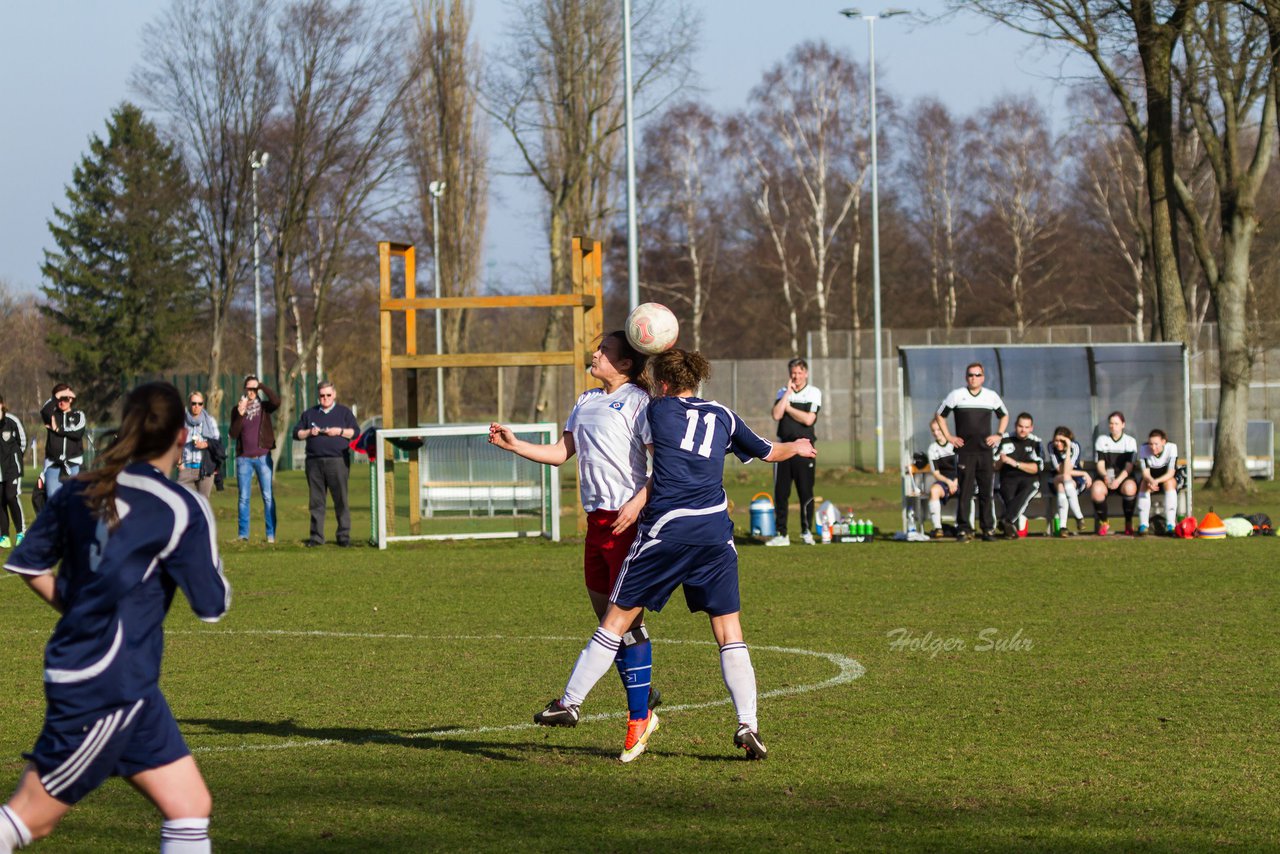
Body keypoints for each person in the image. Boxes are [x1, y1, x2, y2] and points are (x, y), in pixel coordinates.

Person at [531, 349, 817, 762]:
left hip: (666, 530)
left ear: (662, 383)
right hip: (715, 533)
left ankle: (570, 702)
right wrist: (798, 446)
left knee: (615, 620)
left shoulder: (657, 410)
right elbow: (769, 450)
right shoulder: (722, 414)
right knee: (729, 633)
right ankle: (747, 724)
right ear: (697, 380)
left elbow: (631, 434)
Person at [0, 382, 230, 854]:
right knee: (26, 820)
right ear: (182, 436)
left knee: (189, 805)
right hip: (106, 685)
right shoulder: (180, 507)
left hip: (127, 685)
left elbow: (28, 564)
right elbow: (211, 607)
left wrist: (81, 603)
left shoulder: (81, 488)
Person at [490, 331, 662, 762]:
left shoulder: (641, 403)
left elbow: (661, 465)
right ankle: (644, 696)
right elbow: (560, 452)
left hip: (628, 525)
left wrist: (638, 503)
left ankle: (637, 719)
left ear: (624, 364)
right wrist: (516, 446)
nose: (595, 352)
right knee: (611, 622)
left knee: (621, 625)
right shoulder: (586, 400)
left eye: (604, 350)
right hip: (596, 525)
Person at [933, 362, 1008, 542]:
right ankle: (964, 529)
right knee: (965, 491)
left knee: (985, 492)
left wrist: (998, 434)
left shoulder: (991, 397)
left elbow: (1004, 415)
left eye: (977, 375)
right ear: (966, 377)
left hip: (985, 452)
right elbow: (940, 415)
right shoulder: (957, 395)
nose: (974, 378)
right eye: (970, 375)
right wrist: (949, 436)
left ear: (983, 377)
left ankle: (987, 529)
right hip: (965, 452)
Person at [292, 381, 360, 548]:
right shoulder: (310, 414)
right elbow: (296, 433)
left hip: (337, 461)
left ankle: (343, 536)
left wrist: (340, 431)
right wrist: (309, 432)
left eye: (328, 395)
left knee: (341, 500)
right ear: (318, 396)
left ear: (334, 394)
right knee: (316, 502)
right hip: (314, 463)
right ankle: (316, 537)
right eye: (322, 395)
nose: (325, 398)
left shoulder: (344, 413)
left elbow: (356, 432)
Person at [765, 357, 821, 547]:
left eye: (799, 373)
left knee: (805, 491)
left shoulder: (813, 393)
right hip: (784, 449)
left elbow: (808, 420)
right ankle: (782, 533)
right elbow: (776, 415)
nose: (795, 377)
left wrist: (789, 407)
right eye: (793, 373)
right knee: (781, 493)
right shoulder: (783, 392)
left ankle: (806, 532)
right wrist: (787, 395)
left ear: (805, 373)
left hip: (804, 450)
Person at [228, 376, 280, 544]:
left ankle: (271, 535)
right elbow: (233, 434)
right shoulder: (237, 409)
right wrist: (241, 414)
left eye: (254, 389)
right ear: (244, 390)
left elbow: (276, 401)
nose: (251, 392)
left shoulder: (264, 407)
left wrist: (261, 385)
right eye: (248, 389)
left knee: (267, 496)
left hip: (263, 457)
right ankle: (243, 535)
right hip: (244, 459)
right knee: (243, 497)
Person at [994, 412, 1044, 540]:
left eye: (1027, 427)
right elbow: (994, 466)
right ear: (1015, 425)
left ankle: (1006, 520)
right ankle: (1008, 526)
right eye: (1020, 426)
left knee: (1028, 490)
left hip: (1029, 479)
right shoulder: (1004, 440)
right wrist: (1001, 461)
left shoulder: (1036, 442)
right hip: (1008, 479)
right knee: (1009, 498)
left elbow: (1037, 468)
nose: (1023, 430)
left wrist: (1014, 463)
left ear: (1031, 428)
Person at [1089, 411, 1138, 536]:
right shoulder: (1101, 440)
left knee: (1130, 488)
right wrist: (1107, 477)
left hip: (1122, 478)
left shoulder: (1130, 441)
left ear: (1123, 425)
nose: (1113, 426)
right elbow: (1100, 464)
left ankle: (1128, 522)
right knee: (1096, 490)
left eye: (1116, 423)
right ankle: (1104, 522)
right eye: (1111, 423)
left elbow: (1129, 466)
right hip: (1107, 477)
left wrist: (1118, 481)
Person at [39, 385, 87, 502]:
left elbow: (77, 433)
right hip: (53, 463)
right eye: (59, 399)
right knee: (52, 498)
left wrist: (57, 430)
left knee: (73, 499)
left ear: (71, 399)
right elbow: (44, 411)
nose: (62, 402)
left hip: (73, 464)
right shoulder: (52, 414)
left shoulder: (78, 415)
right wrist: (57, 395)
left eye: (65, 398)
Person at [1046, 426, 1092, 537]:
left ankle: (1063, 527)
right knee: (1063, 481)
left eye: (1062, 441)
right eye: (1056, 440)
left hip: (1074, 481)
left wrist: (1068, 449)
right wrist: (1084, 473)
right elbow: (1061, 471)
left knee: (1064, 484)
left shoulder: (1075, 447)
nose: (1058, 443)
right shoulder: (1051, 446)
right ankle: (1079, 517)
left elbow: (1068, 471)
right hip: (1057, 479)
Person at [1137, 428, 1180, 536]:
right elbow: (1145, 473)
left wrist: (1157, 481)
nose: (1153, 447)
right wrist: (1151, 481)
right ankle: (1143, 525)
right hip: (1151, 479)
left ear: (1163, 442)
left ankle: (1171, 525)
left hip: (1166, 479)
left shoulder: (1172, 448)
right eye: (1151, 444)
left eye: (1156, 444)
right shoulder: (1144, 448)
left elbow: (1171, 473)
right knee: (1143, 484)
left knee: (1169, 483)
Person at [178, 391, 220, 499]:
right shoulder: (182, 421)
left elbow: (217, 444)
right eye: (194, 403)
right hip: (186, 469)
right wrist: (180, 464)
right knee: (186, 503)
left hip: (204, 470)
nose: (197, 406)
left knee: (203, 505)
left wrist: (205, 444)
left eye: (200, 404)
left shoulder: (210, 421)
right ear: (189, 404)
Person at [0, 395, 27, 548]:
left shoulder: (11, 421)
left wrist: (17, 458)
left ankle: (20, 532)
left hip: (12, 468)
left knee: (11, 496)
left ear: (2, 405)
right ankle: (4, 536)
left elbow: (23, 441)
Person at [924, 419, 958, 539]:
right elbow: (936, 473)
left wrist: (956, 481)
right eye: (933, 431)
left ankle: (964, 527)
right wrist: (948, 482)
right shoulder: (932, 449)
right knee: (934, 491)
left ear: (945, 429)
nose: (936, 433)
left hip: (959, 480)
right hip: (944, 481)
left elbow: (963, 467)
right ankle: (938, 528)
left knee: (967, 492)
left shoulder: (954, 444)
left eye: (939, 429)